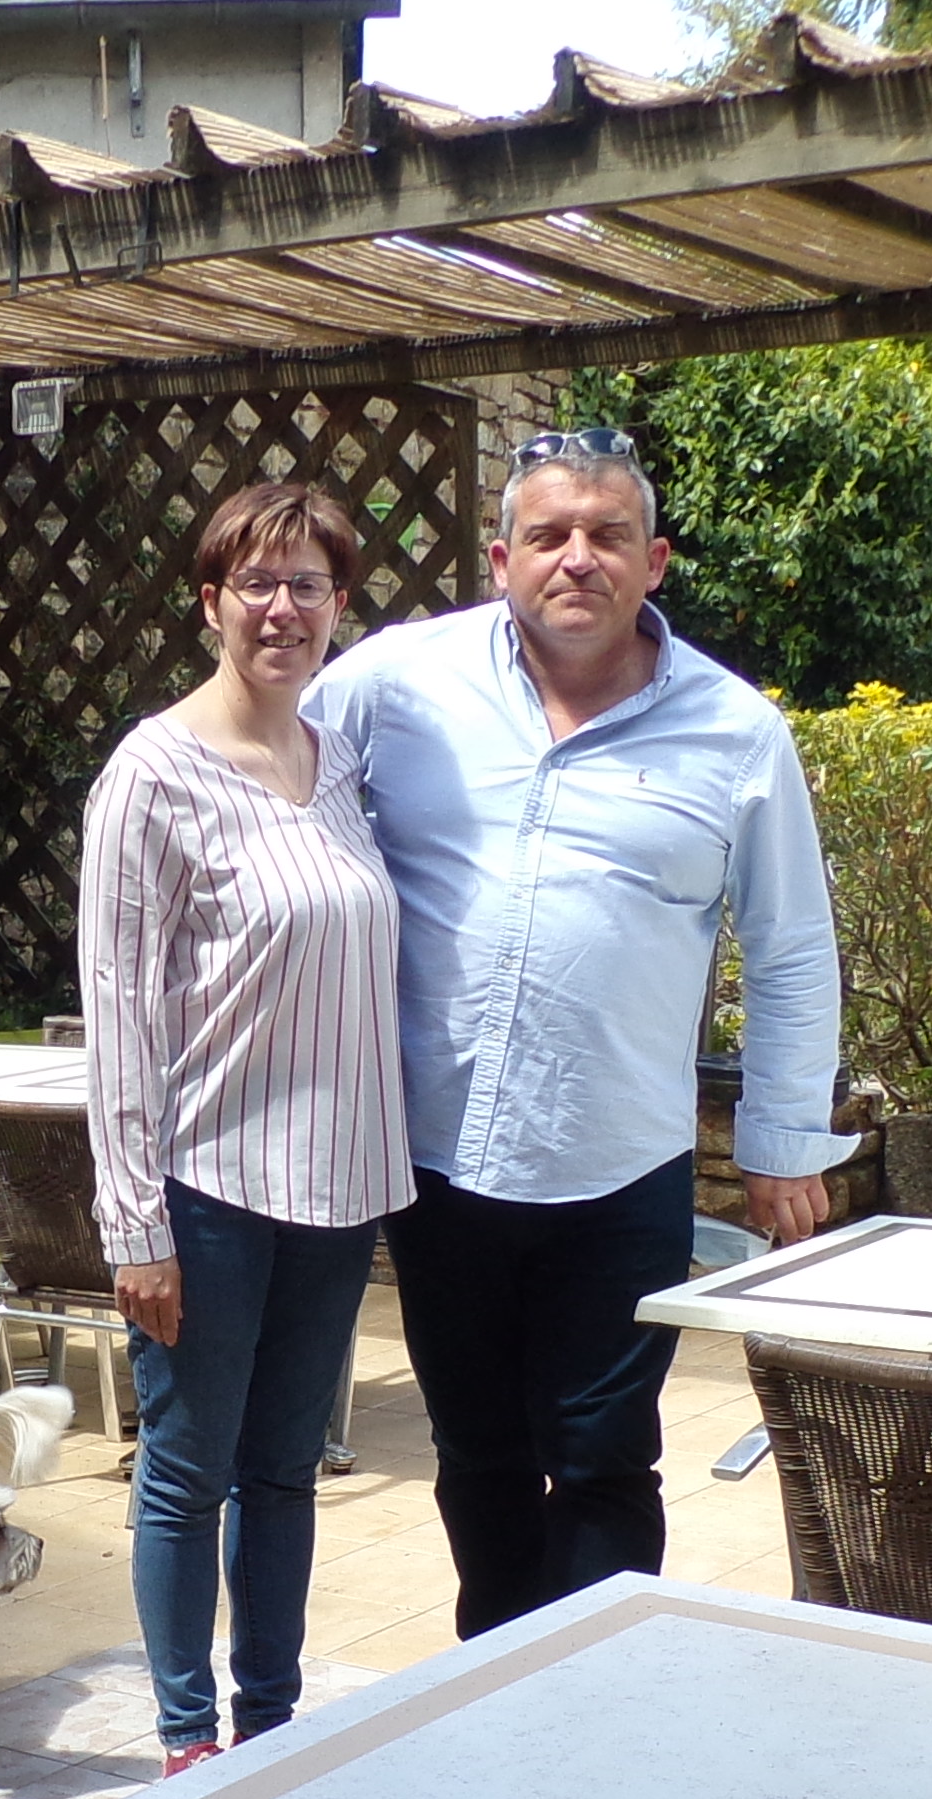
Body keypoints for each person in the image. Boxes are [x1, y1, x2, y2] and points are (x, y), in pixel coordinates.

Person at [307, 425, 846, 1639]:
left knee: (605, 1460)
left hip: (621, 1164)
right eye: (549, 535)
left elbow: (792, 945)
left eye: (608, 535)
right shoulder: (394, 687)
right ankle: (494, 1691)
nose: (578, 558)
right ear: (502, 560)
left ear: (655, 561)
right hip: (440, 1157)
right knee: (478, 1454)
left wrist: (782, 1141)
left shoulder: (735, 730)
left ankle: (601, 1697)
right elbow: (270, 790)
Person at [79, 478, 411, 1778]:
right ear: (210, 603)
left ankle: (270, 1725)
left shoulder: (342, 768)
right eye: (257, 584)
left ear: (340, 604)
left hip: (337, 1191)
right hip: (208, 1192)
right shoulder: (152, 776)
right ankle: (187, 1740)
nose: (283, 609)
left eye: (308, 584)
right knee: (188, 1472)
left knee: (284, 1473)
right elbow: (119, 1012)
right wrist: (134, 1225)